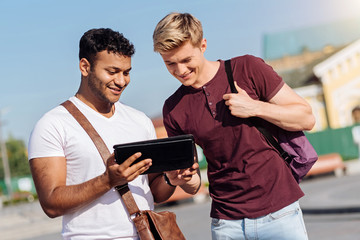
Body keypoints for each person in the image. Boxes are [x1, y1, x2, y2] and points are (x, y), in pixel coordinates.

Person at [153, 13, 315, 240]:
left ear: (203, 45)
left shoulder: (247, 68)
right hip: (226, 224)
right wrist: (187, 179)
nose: (180, 70)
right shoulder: (173, 109)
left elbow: (306, 117)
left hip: (280, 213)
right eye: (170, 63)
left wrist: (255, 108)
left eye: (186, 60)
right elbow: (193, 184)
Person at [28, 28, 200, 240]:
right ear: (85, 67)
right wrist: (107, 180)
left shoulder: (140, 121)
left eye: (126, 72)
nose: (121, 81)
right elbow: (51, 204)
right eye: (112, 71)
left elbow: (154, 192)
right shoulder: (52, 125)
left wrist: (172, 179)